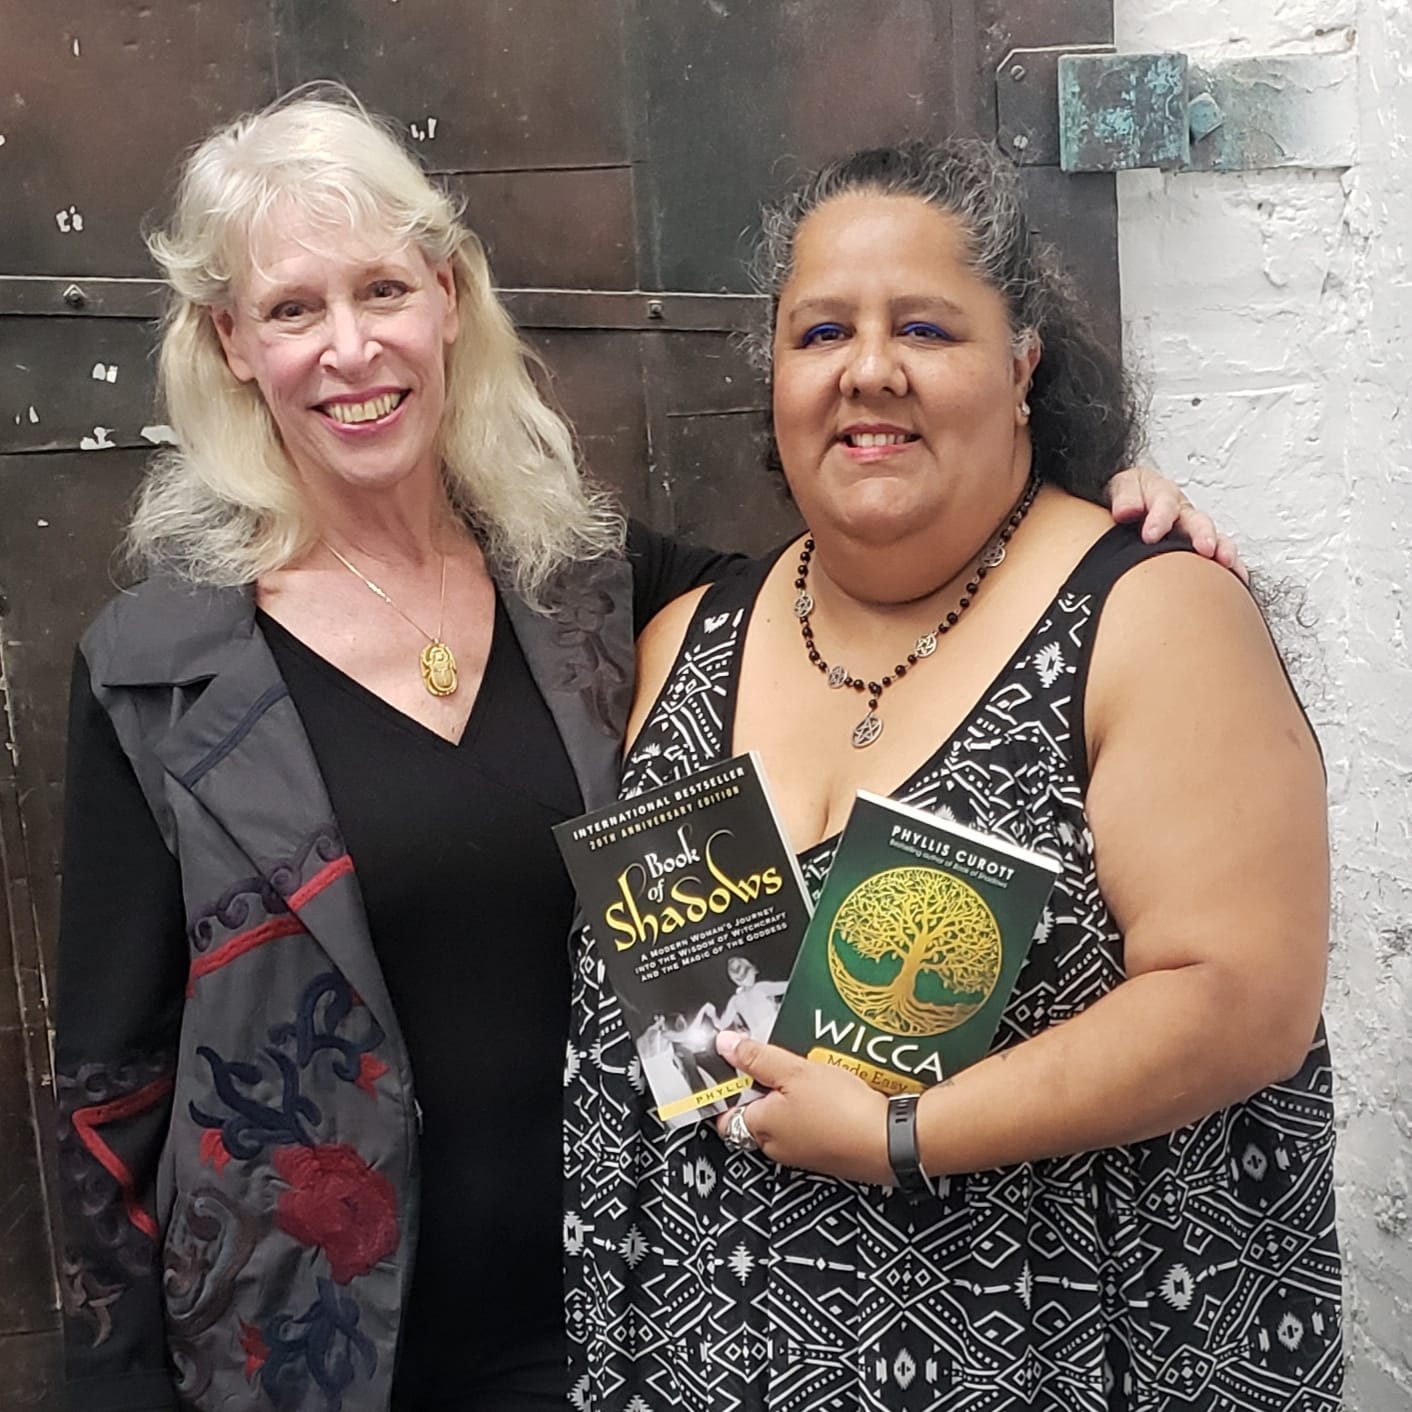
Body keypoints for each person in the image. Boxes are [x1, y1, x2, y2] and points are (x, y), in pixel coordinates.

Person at [52, 86, 1233, 1412]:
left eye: (383, 290)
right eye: (291, 310)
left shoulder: (606, 597)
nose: (349, 349)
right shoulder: (160, 673)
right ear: (229, 344)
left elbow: (899, 561)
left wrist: (1095, 523)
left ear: (448, 299)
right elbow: (108, 1096)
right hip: (314, 1357)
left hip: (640, 1334)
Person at [565, 140, 1340, 1412]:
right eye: (821, 331)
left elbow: (1239, 997)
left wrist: (902, 1135)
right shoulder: (687, 635)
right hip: (709, 1354)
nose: (869, 368)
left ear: (1020, 361)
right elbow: (684, 1030)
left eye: (923, 324)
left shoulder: (1147, 618)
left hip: (1051, 1351)